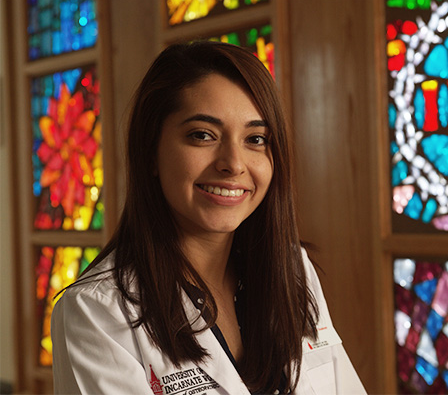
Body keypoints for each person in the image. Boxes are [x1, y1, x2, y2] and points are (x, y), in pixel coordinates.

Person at [51, 41, 366, 395]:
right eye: (203, 135)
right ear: (150, 151)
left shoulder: (292, 268)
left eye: (255, 138)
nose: (233, 162)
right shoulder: (96, 312)